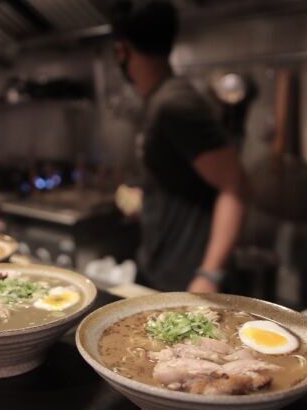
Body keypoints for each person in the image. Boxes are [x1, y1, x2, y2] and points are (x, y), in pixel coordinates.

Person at [111, 0, 247, 293]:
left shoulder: (175, 104)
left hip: (187, 276)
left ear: (120, 50)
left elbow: (235, 184)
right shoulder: (160, 100)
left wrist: (209, 275)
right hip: (160, 268)